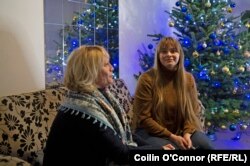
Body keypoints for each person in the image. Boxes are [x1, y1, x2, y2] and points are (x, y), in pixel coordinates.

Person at [43, 45, 174, 166]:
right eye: (106, 64)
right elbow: (122, 155)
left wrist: (157, 149)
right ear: (91, 71)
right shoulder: (86, 110)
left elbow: (123, 133)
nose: (112, 67)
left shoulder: (97, 97)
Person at [132, 37, 214, 150]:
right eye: (164, 51)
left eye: (173, 51)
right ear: (158, 55)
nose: (169, 54)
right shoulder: (147, 79)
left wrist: (187, 134)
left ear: (179, 54)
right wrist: (172, 137)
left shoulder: (188, 79)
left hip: (181, 131)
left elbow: (193, 112)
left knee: (206, 146)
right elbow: (144, 118)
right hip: (150, 132)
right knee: (173, 149)